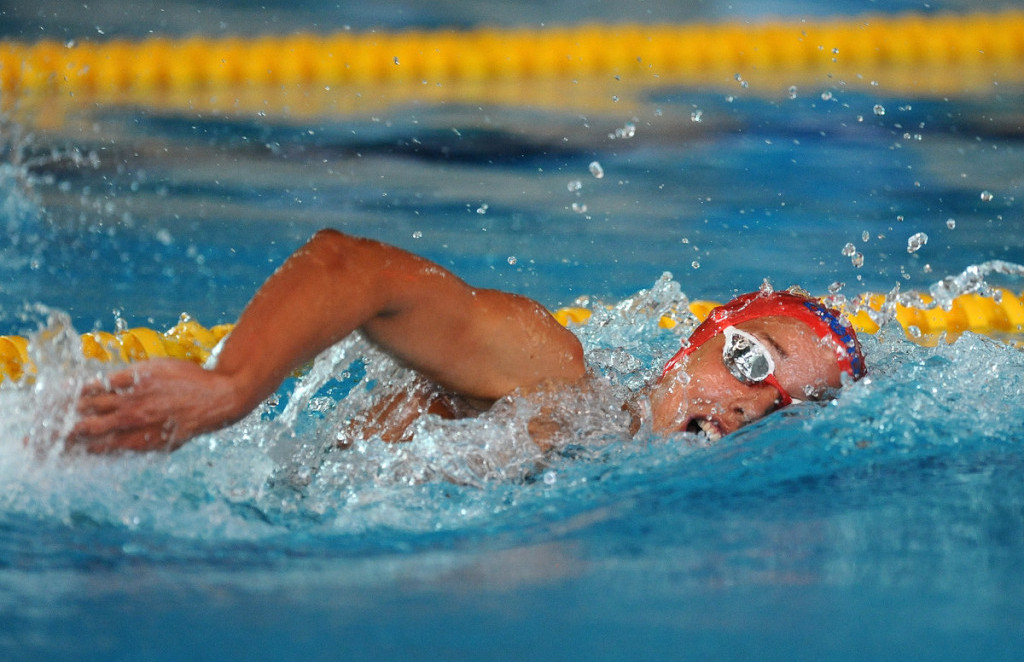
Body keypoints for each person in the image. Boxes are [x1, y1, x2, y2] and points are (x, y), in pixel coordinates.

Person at [68, 229, 866, 453]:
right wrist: (232, 387)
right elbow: (355, 269)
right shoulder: (555, 375)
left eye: (788, 408)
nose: (746, 405)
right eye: (750, 362)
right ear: (697, 341)